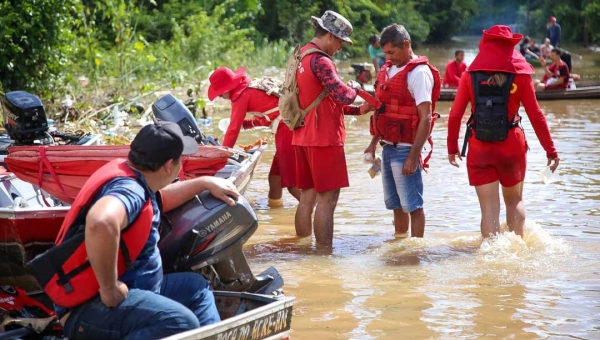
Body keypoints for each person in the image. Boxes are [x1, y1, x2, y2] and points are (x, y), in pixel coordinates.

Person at [56, 122, 240, 339]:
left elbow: (161, 200)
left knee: (196, 288)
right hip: (89, 307)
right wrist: (110, 288)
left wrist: (204, 183)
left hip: (140, 291)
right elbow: (101, 222)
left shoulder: (135, 177)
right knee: (181, 322)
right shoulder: (130, 190)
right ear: (168, 165)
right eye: (181, 160)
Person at [447, 25, 560, 239]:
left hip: (480, 148)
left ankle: (491, 254)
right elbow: (536, 115)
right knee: (514, 201)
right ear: (510, 47)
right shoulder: (521, 76)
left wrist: (452, 148)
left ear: (486, 45)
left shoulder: (469, 75)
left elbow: (454, 115)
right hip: (512, 147)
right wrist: (551, 151)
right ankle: (517, 253)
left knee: (489, 210)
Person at [293, 10, 373, 246]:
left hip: (301, 135)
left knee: (307, 197)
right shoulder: (322, 61)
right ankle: (324, 256)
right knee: (328, 199)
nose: (340, 47)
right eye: (340, 41)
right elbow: (344, 96)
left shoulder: (300, 56)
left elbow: (319, 99)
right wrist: (356, 87)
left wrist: (359, 110)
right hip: (323, 139)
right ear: (329, 35)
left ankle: (302, 248)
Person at [364, 24, 441, 238]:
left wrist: (413, 156)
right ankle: (399, 245)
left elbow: (425, 117)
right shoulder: (387, 70)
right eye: (385, 53)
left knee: (413, 206)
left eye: (392, 52)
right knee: (395, 205)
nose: (388, 57)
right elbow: (383, 111)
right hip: (387, 148)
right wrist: (372, 144)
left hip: (406, 149)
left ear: (406, 45)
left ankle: (414, 253)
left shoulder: (419, 73)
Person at [208, 66, 300, 206]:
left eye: (220, 93)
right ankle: (274, 208)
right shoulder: (249, 87)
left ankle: (313, 209)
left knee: (291, 183)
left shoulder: (240, 97)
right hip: (287, 128)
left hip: (287, 131)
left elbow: (233, 130)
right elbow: (269, 115)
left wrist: (221, 155)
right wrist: (246, 124)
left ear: (227, 89)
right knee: (275, 177)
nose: (220, 97)